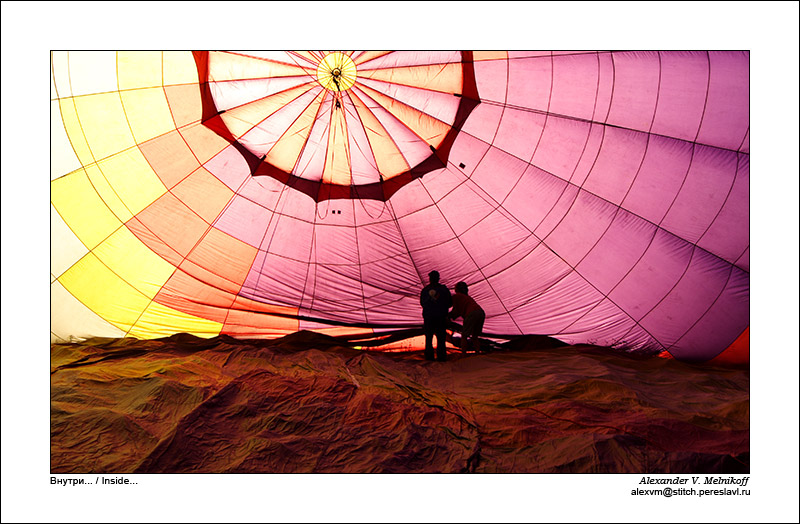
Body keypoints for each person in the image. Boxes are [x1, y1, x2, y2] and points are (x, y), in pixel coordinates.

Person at [420, 270, 452, 362]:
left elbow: (422, 303)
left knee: (429, 338)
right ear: (438, 278)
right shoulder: (444, 290)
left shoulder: (425, 290)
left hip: (429, 317)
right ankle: (441, 357)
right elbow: (450, 303)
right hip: (440, 317)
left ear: (430, 279)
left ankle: (429, 357)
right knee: (441, 338)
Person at [450, 281, 486, 353]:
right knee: (475, 336)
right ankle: (477, 352)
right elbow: (458, 311)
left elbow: (455, 310)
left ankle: (463, 353)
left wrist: (448, 316)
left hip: (471, 313)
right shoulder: (467, 298)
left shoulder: (456, 296)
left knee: (464, 335)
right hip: (481, 312)